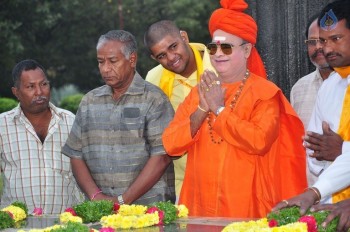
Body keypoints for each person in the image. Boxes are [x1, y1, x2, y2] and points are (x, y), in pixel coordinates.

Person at [162, 0, 307, 218]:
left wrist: (219, 109)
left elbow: (259, 141)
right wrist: (202, 108)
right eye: (213, 47)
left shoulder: (265, 93)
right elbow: (171, 145)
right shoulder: (199, 92)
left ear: (247, 50)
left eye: (226, 47)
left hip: (245, 205)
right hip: (199, 204)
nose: (218, 53)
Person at [62, 30, 175, 205]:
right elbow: (75, 154)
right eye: (101, 62)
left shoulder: (154, 99)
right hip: (100, 212)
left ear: (132, 60)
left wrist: (122, 200)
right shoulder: (89, 101)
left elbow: (162, 156)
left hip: (149, 210)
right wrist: (97, 198)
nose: (106, 68)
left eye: (113, 61)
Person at [273, 0, 350, 230]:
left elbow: (341, 153)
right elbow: (315, 155)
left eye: (336, 39)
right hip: (334, 210)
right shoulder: (331, 86)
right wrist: (322, 153)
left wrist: (341, 150)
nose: (327, 49)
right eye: (323, 41)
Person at [143, 20, 215, 201]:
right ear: (154, 58)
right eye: (161, 55)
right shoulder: (154, 78)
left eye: (173, 46)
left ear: (184, 37)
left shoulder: (218, 62)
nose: (171, 57)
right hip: (181, 184)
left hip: (222, 175)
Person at [0, 59, 82, 214]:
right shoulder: (2, 125)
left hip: (65, 223)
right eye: (30, 86)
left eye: (43, 84)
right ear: (16, 92)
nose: (39, 92)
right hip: (17, 225)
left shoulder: (71, 121)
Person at [290, 15, 333, 186]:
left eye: (324, 40)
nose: (318, 47)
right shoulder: (299, 88)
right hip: (310, 194)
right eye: (312, 42)